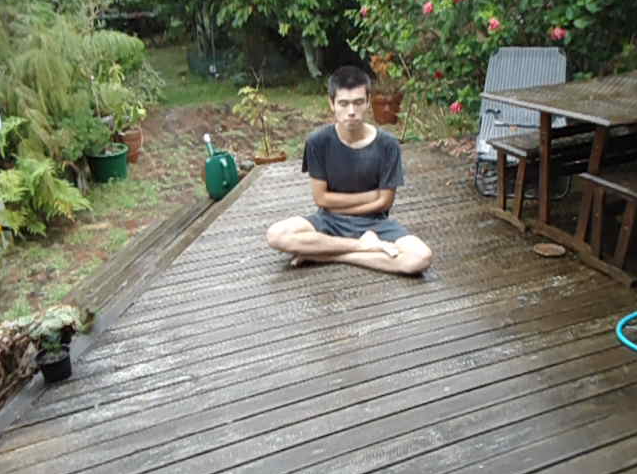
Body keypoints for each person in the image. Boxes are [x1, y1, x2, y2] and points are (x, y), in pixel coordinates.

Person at [266, 65, 432, 274]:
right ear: (332, 103)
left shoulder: (388, 145)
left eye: (358, 103)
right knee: (277, 234)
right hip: (329, 221)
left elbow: (385, 202)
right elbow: (321, 200)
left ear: (368, 102)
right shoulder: (318, 142)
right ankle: (362, 248)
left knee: (420, 258)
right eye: (343, 104)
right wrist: (371, 199)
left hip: (375, 224)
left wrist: (345, 205)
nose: (351, 111)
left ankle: (326, 253)